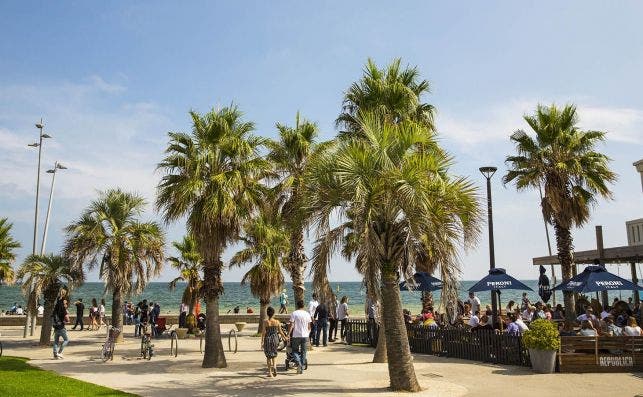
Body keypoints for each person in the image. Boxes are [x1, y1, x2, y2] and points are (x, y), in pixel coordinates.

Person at [261, 306, 288, 377]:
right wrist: (285, 338)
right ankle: (275, 367)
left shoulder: (265, 322)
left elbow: (263, 332)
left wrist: (262, 341)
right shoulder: (277, 322)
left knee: (268, 356)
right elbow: (281, 332)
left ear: (267, 314)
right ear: (273, 314)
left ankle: (270, 372)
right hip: (275, 339)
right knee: (274, 354)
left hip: (267, 339)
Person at [289, 300, 312, 374]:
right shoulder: (307, 314)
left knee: (294, 350)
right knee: (303, 352)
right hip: (305, 336)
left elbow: (292, 325)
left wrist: (288, 334)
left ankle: (298, 363)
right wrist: (308, 334)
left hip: (296, 335)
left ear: (297, 305)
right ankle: (301, 367)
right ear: (303, 306)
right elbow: (309, 327)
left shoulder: (294, 313)